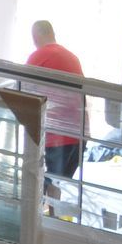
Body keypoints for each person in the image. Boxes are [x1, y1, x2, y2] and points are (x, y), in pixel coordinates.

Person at [26, 20, 85, 181]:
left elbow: (22, 90)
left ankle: (46, 206)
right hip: (79, 136)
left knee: (44, 185)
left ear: (35, 37)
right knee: (57, 185)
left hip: (57, 138)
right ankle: (52, 206)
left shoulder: (38, 56)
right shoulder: (73, 57)